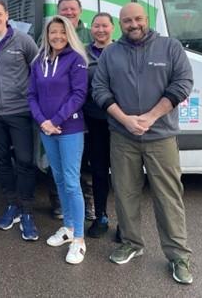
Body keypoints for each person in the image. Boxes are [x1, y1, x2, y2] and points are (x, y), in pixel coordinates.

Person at [92, 3, 194, 285]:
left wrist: (150, 117)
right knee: (125, 194)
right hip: (123, 136)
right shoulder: (111, 53)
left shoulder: (170, 47)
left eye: (137, 19)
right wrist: (124, 119)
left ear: (146, 19)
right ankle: (131, 243)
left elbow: (183, 83)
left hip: (160, 136)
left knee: (168, 197)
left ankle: (178, 256)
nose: (133, 24)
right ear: (120, 24)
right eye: (127, 20)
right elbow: (99, 89)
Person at [0, 0, 40, 241]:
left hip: (20, 110)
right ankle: (11, 204)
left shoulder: (23, 41)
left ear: (7, 16)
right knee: (1, 160)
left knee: (24, 160)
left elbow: (38, 70)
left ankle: (27, 210)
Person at [28, 15, 88, 264]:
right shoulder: (38, 61)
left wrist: (56, 120)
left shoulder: (76, 60)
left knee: (72, 182)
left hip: (69, 128)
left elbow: (79, 94)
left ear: (69, 34)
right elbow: (31, 94)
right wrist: (42, 121)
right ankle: (68, 228)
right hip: (47, 129)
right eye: (53, 32)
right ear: (47, 34)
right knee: (59, 178)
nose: (57, 37)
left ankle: (80, 240)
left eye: (62, 32)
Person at [49, 0, 95, 221]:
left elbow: (79, 90)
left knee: (79, 164)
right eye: (64, 9)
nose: (68, 12)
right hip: (55, 117)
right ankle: (59, 205)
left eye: (72, 9)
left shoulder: (89, 35)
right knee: (57, 166)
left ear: (80, 11)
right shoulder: (48, 38)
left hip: (84, 110)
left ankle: (85, 207)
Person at [83, 13, 114, 238]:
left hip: (120, 122)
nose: (100, 30)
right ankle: (101, 217)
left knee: (125, 175)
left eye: (104, 25)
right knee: (99, 171)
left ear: (113, 28)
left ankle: (126, 225)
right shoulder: (82, 52)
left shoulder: (122, 50)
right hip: (94, 121)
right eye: (96, 26)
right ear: (91, 29)